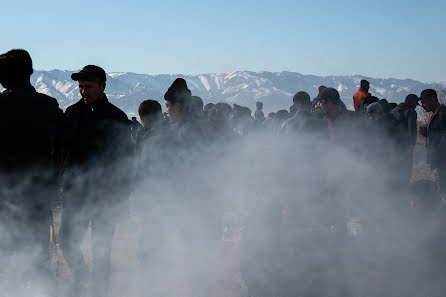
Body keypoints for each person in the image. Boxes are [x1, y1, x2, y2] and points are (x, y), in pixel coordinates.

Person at [60, 65, 131, 297]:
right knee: (67, 241)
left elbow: (125, 160)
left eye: (88, 87)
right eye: (80, 87)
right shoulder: (72, 113)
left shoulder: (117, 117)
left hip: (105, 195)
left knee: (102, 251)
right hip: (75, 193)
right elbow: (61, 151)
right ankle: (80, 276)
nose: (83, 91)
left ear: (102, 86)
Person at [0, 49, 65, 295]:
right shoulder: (48, 106)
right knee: (39, 258)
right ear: (30, 73)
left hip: (4, 200)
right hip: (37, 198)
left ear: (2, 80)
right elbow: (64, 144)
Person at [419, 89, 446, 197]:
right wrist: (428, 133)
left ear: (433, 100)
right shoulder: (437, 113)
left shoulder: (442, 114)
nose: (423, 106)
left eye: (424, 102)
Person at [390, 94, 419, 187]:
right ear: (412, 102)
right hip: (405, 145)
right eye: (416, 104)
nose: (416, 106)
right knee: (406, 169)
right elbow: (412, 129)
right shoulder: (411, 112)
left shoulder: (394, 110)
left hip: (392, 144)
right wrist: (412, 144)